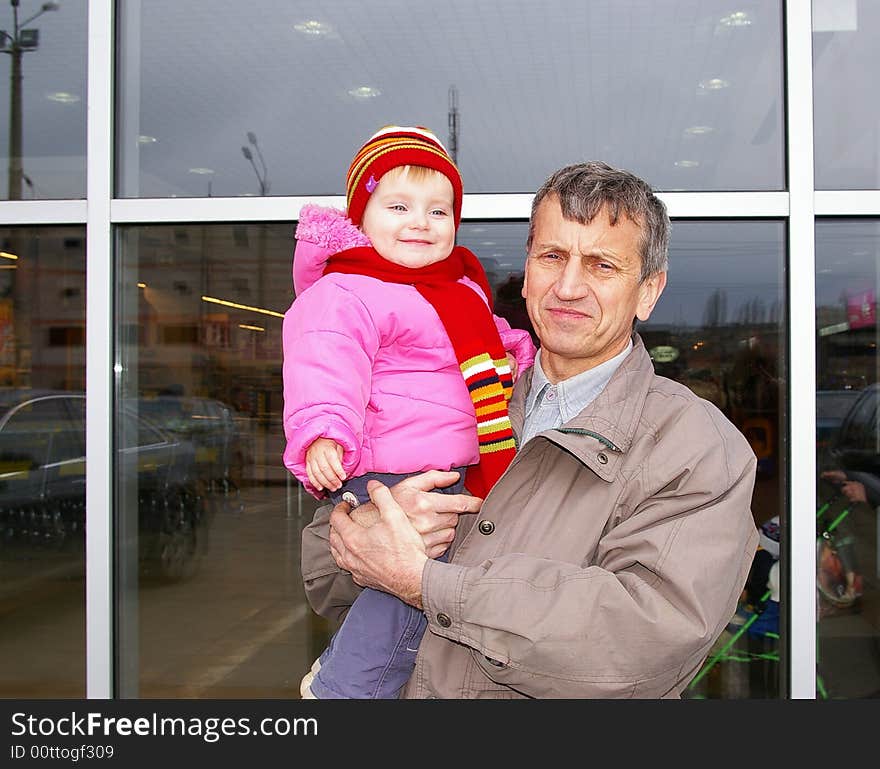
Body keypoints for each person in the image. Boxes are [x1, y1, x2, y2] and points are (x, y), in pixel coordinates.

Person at [301, 160, 761, 698]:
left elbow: (642, 639)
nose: (568, 286)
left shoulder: (698, 447)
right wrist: (381, 520)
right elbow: (320, 577)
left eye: (602, 266)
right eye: (552, 256)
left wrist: (426, 583)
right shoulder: (450, 394)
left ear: (648, 291)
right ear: (527, 270)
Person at [282, 125, 536, 698]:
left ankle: (355, 679)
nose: (420, 222)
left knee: (416, 590)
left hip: (440, 466)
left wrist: (516, 352)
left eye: (438, 211)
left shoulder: (455, 288)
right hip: (389, 468)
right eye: (398, 206)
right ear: (361, 218)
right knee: (407, 589)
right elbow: (324, 358)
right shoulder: (348, 290)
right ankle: (345, 687)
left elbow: (476, 343)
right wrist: (324, 432)